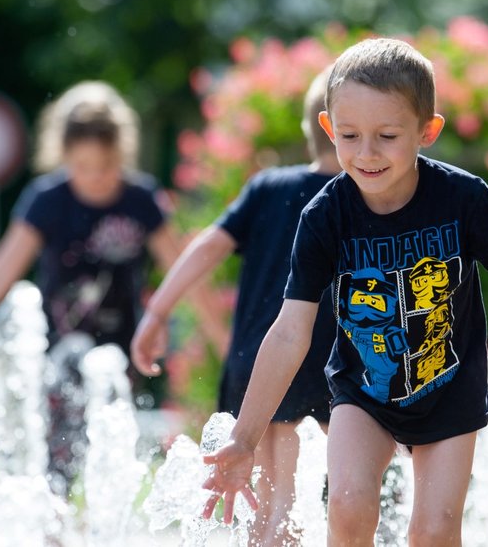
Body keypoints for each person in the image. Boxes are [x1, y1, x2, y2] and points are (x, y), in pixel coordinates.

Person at [200, 38, 488, 546]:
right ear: (328, 128)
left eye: (387, 135)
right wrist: (243, 437)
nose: (366, 154)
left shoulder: (463, 199)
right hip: (362, 390)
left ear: (427, 130)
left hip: (448, 388)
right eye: (349, 135)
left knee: (432, 532)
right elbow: (288, 332)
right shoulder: (324, 216)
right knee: (346, 506)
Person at [0, 80, 228, 486]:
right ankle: (58, 529)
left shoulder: (140, 200)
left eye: (105, 167)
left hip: (118, 350)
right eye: (82, 168)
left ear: (122, 156)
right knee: (59, 449)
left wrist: (227, 343)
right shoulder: (48, 201)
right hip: (55, 348)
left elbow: (184, 273)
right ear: (62, 157)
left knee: (104, 455)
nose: (94, 179)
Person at [131, 68, 340, 547]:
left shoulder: (268, 188)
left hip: (262, 359)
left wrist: (157, 312)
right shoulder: (358, 196)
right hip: (334, 361)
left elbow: (207, 246)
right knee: (334, 502)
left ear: (313, 130)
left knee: (269, 512)